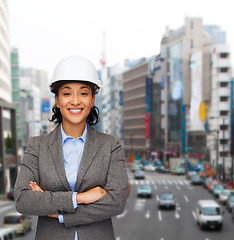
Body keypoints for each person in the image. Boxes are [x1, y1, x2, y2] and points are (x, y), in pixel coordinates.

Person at [14, 55, 128, 240]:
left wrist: (59, 214)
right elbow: (23, 200)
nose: (75, 101)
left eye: (83, 93)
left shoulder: (110, 146)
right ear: (57, 100)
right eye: (67, 93)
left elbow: (116, 202)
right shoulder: (37, 146)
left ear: (92, 100)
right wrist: (79, 198)